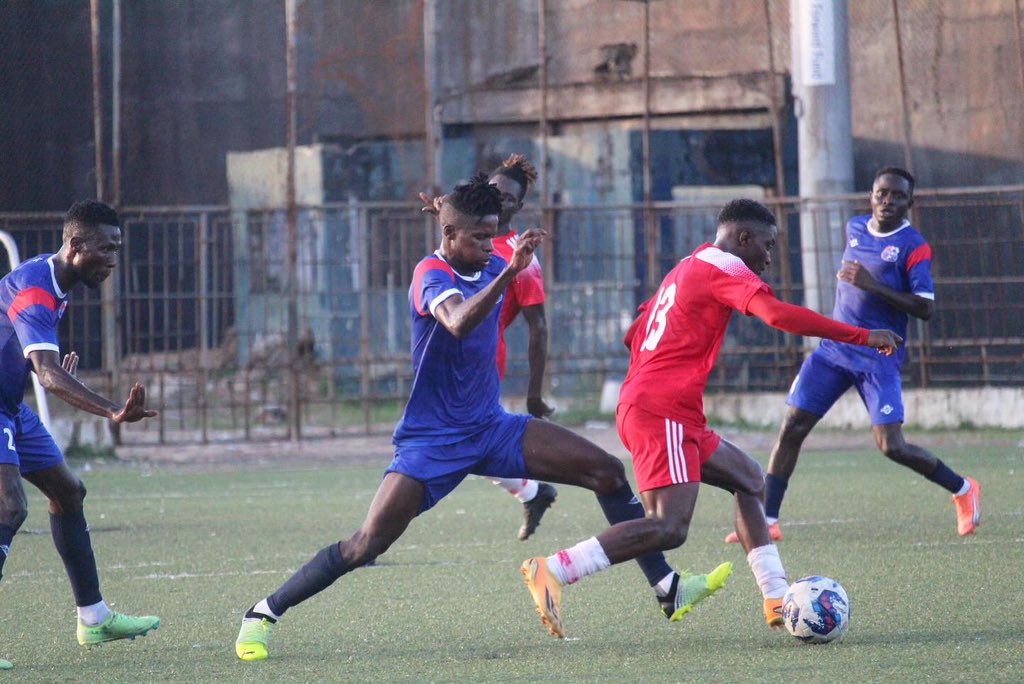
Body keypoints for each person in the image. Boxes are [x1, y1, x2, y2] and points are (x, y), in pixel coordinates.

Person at [236, 174, 720, 662]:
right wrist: (507, 272)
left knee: (608, 472)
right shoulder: (432, 274)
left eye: (494, 235)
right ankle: (262, 613)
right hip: (432, 443)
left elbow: (511, 281)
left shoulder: (484, 254)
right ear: (449, 235)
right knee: (365, 546)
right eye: (479, 237)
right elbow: (457, 322)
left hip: (493, 429)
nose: (490, 245)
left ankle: (666, 586)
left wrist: (456, 216)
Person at [521, 199, 902, 639]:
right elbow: (777, 315)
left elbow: (636, 330)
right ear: (743, 237)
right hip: (661, 410)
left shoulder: (689, 263)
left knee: (750, 479)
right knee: (669, 526)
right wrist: (861, 335)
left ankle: (777, 597)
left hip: (669, 409)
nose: (768, 257)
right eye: (767, 244)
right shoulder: (725, 267)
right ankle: (554, 570)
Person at [727, 167, 980, 545]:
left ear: (910, 202)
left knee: (891, 445)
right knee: (792, 426)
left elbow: (925, 308)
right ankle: (768, 519)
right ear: (872, 195)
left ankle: (962, 489)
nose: (887, 201)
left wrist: (871, 285)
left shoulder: (914, 246)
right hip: (835, 349)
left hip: (879, 356)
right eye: (882, 193)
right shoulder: (855, 228)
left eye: (897, 196)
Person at [0, 200, 160, 670]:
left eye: (116, 249)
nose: (112, 259)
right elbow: (48, 375)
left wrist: (42, 371)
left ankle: (94, 619)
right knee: (10, 505)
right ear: (74, 246)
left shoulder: (55, 281)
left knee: (68, 492)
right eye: (105, 249)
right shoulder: (34, 287)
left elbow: (25, 356)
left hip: (9, 406)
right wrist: (111, 409)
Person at [420, 153, 559, 542]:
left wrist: (534, 394)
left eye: (509, 197)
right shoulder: (471, 231)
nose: (499, 199)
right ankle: (532, 491)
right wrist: (443, 212)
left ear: (519, 206)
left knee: (436, 443)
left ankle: (374, 534)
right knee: (457, 444)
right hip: (446, 349)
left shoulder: (520, 257)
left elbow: (539, 326)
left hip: (477, 354)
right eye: (494, 190)